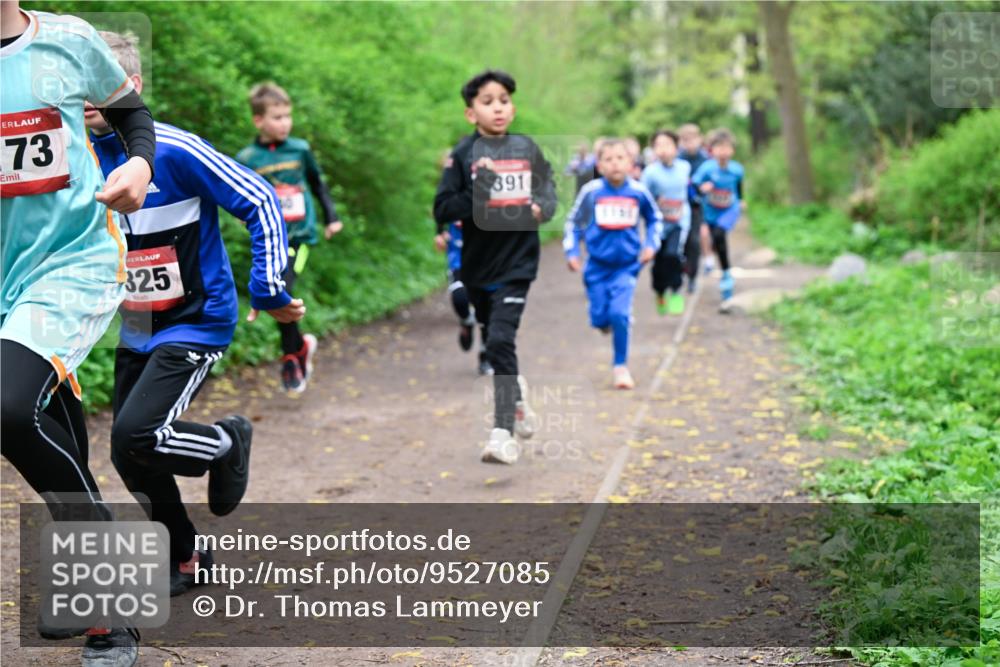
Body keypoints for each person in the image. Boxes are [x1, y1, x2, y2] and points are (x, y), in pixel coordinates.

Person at [87, 31, 301, 601]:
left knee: (138, 433)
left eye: (99, 83)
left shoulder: (174, 151)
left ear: (129, 87)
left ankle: (226, 445)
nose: (85, 97)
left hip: (196, 318)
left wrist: (269, 286)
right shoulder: (74, 159)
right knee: (130, 456)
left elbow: (259, 199)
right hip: (137, 325)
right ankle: (187, 556)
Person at [1, 5, 156, 664]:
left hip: (73, 259)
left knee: (7, 406)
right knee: (49, 421)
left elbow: (131, 116)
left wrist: (140, 167)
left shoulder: (67, 41)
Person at [433, 69, 557, 465]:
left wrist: (542, 207)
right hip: (476, 267)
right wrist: (478, 194)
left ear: (513, 108)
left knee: (501, 342)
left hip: (518, 263)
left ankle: (502, 432)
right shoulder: (461, 156)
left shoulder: (527, 149)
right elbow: (443, 207)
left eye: (503, 100)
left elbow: (548, 190)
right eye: (487, 101)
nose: (497, 107)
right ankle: (516, 394)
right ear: (471, 113)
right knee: (496, 341)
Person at [236, 82, 342, 393]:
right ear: (259, 120)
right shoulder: (247, 157)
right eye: (277, 117)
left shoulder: (300, 149)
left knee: (282, 287)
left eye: (287, 116)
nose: (285, 123)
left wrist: (332, 217)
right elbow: (241, 199)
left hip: (299, 236)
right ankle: (299, 349)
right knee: (275, 293)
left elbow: (318, 184)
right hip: (268, 239)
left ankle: (290, 358)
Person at [564, 139, 662, 390]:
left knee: (620, 313)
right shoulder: (592, 192)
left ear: (630, 163)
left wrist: (651, 245)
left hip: (627, 265)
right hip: (596, 266)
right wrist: (572, 251)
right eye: (608, 159)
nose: (615, 164)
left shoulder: (638, 192)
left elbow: (654, 219)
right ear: (599, 165)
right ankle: (602, 321)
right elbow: (574, 223)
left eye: (620, 158)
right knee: (599, 318)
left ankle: (621, 366)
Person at [434, 152, 492, 376]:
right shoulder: (453, 193)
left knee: (488, 311)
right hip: (458, 255)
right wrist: (439, 233)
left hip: (486, 258)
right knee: (459, 296)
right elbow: (441, 210)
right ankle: (467, 321)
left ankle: (485, 357)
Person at [692, 128, 746, 313]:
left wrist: (740, 200)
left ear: (732, 150)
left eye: (727, 147)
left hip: (729, 210)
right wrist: (702, 188)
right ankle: (723, 272)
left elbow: (739, 186)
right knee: (716, 238)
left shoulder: (737, 169)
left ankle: (726, 274)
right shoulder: (707, 168)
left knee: (720, 234)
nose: (723, 152)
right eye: (719, 147)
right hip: (711, 212)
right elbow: (695, 185)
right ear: (711, 150)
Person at [641, 130, 691, 316]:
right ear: (653, 149)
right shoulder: (650, 172)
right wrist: (655, 201)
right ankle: (660, 292)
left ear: (676, 147)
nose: (663, 149)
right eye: (658, 145)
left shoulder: (684, 167)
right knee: (659, 261)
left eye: (667, 144)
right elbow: (643, 199)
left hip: (679, 222)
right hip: (657, 225)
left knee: (673, 255)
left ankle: (676, 291)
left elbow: (688, 191)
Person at [677, 123, 710, 291]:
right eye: (685, 140)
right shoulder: (677, 160)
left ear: (699, 139)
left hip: (697, 206)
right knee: (679, 244)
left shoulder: (705, 160)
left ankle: (692, 277)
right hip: (679, 208)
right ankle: (682, 269)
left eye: (692, 139)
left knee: (694, 242)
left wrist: (706, 187)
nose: (689, 143)